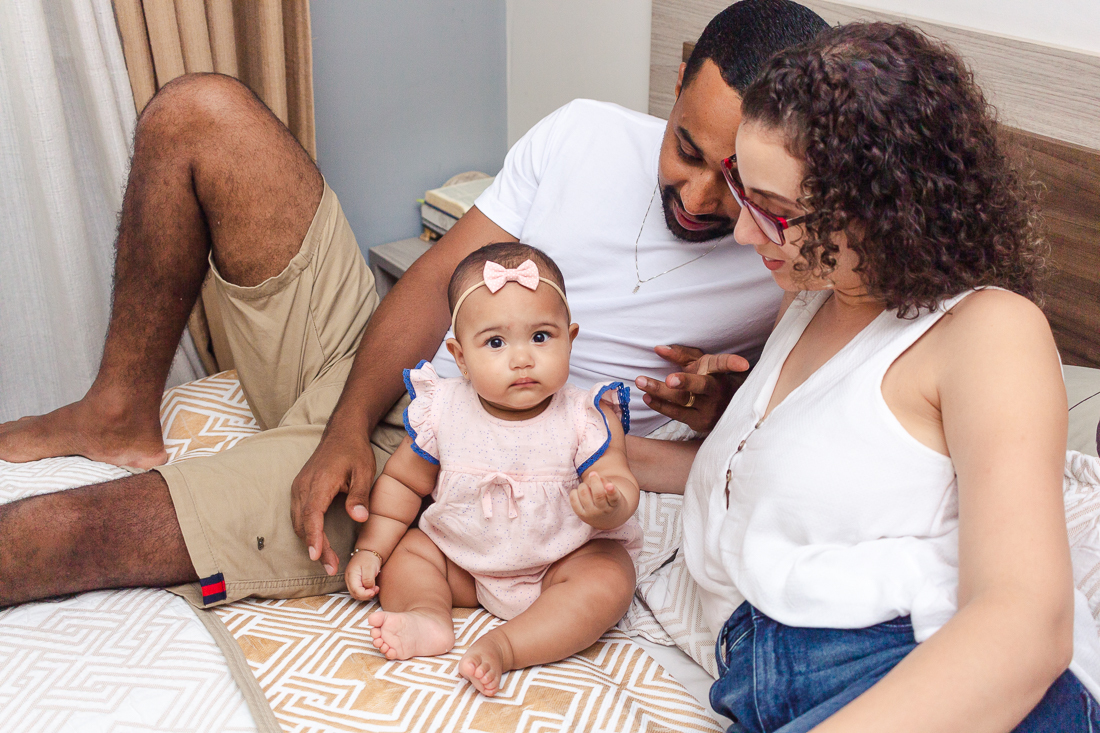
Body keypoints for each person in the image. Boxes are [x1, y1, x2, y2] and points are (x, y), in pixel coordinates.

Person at [0, 1, 827, 609]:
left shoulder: (795, 259)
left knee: (60, 535)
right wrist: (345, 423)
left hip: (453, 458)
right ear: (678, 84)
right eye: (687, 149)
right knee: (196, 112)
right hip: (389, 366)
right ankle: (117, 411)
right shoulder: (582, 134)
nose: (700, 196)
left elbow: (757, 449)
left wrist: (720, 408)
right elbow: (436, 280)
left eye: (735, 179)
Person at [680, 22, 1100, 732]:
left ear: (883, 208)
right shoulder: (812, 298)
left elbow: (1024, 623)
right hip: (768, 673)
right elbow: (758, 492)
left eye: (776, 211)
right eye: (741, 190)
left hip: (936, 670)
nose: (746, 232)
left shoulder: (986, 330)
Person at [347, 243, 641, 696]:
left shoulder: (585, 415)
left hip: (560, 561)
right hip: (463, 561)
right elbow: (403, 482)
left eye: (541, 337)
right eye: (496, 343)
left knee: (610, 576)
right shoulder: (442, 409)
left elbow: (618, 475)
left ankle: (507, 646)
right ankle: (427, 616)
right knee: (411, 552)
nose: (522, 358)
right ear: (461, 357)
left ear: (570, 338)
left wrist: (608, 504)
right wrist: (371, 548)